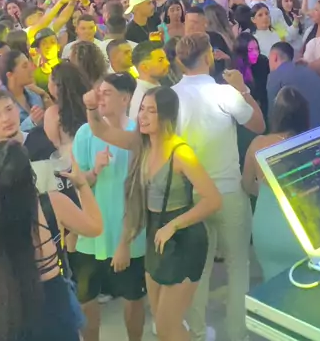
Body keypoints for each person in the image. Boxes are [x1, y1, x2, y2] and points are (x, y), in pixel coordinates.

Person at [82, 82, 221, 341]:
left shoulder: (181, 152)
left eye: (151, 111)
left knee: (168, 325)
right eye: (142, 109)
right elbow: (100, 129)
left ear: (167, 116)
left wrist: (174, 225)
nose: (142, 116)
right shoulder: (141, 144)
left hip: (183, 239)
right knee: (162, 324)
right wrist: (91, 106)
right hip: (155, 235)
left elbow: (213, 200)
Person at [173, 34, 265, 341]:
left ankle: (198, 333)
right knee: (238, 264)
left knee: (197, 270)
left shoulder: (169, 97)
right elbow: (258, 125)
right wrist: (243, 89)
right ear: (208, 57)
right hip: (227, 190)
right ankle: (237, 333)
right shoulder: (224, 92)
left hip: (191, 194)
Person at [0, 140, 102, 341]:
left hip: (8, 306)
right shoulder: (52, 204)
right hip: (54, 304)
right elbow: (95, 227)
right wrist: (82, 185)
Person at [70, 73, 146, 341]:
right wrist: (94, 171)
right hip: (91, 236)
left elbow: (138, 194)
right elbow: (77, 182)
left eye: (107, 93)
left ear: (125, 99)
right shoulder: (84, 133)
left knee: (133, 298)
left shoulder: (136, 135)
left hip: (128, 233)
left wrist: (125, 241)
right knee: (86, 301)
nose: (99, 98)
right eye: (98, 92)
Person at [243, 86, 310, 281]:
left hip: (266, 226)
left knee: (272, 282)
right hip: (301, 226)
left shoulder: (258, 144)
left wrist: (266, 195)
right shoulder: (309, 144)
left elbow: (246, 184)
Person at [267, 42, 320, 127]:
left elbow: (273, 115)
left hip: (308, 130)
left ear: (274, 57)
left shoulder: (275, 77)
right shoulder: (308, 71)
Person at [44, 62, 90, 155]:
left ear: (56, 86)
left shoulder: (52, 113)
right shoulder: (90, 105)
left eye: (49, 82)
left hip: (69, 159)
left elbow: (54, 145)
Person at [0, 49, 45, 133]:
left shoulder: (34, 95)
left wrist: (46, 97)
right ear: (10, 75)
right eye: (25, 66)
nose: (31, 68)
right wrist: (31, 122)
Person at [129, 41, 170, 121]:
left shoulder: (159, 87)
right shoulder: (141, 97)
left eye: (166, 58)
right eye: (160, 60)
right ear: (144, 68)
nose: (167, 63)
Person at [231, 33, 269, 116]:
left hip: (262, 107)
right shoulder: (235, 68)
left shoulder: (263, 61)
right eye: (250, 50)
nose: (255, 53)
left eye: (256, 49)